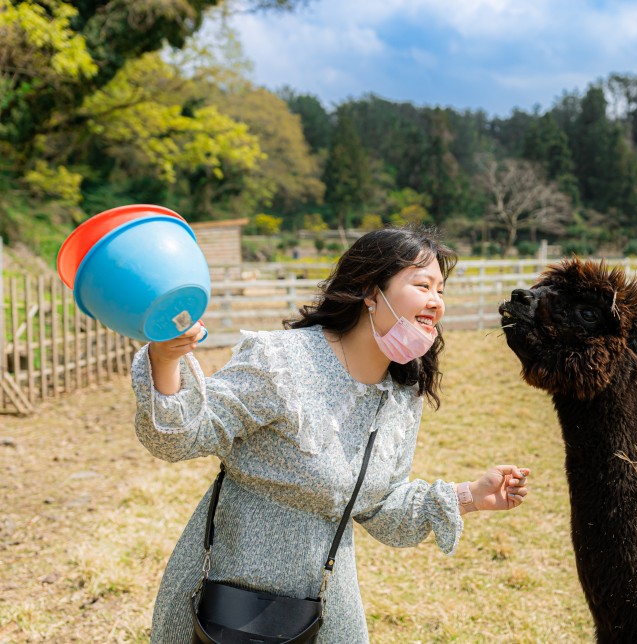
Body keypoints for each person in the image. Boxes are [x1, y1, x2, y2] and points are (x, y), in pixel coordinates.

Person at [131, 226, 530, 642]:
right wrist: (164, 359)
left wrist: (469, 496)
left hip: (324, 610)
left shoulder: (399, 395)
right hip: (225, 602)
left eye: (441, 291)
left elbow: (381, 508)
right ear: (370, 292)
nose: (436, 302)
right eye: (422, 285)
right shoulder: (281, 361)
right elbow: (180, 437)